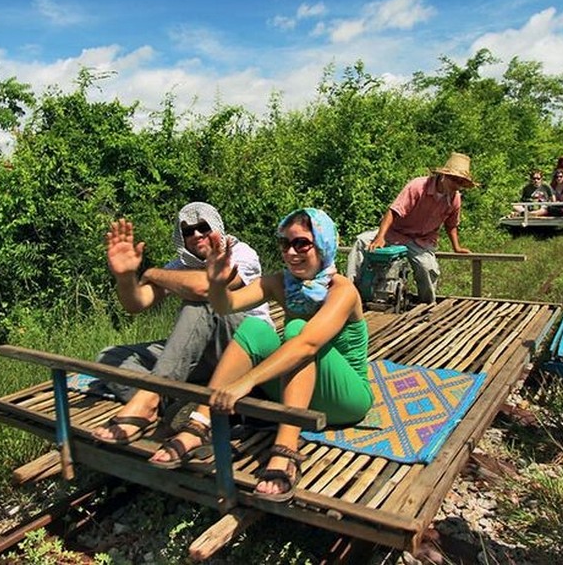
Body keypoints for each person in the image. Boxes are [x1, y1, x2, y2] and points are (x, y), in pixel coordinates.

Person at [150, 208, 372, 503]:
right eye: (285, 244)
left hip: (346, 400)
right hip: (298, 393)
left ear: (324, 244)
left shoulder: (342, 290)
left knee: (295, 329)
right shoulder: (280, 282)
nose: (291, 253)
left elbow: (306, 344)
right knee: (255, 327)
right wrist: (216, 282)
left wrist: (247, 381)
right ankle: (199, 423)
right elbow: (226, 305)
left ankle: (286, 448)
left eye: (301, 243)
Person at [91, 202, 271, 444]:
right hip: (204, 352)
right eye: (188, 231)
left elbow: (204, 288)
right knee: (110, 358)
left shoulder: (239, 253)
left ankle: (153, 396)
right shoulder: (179, 266)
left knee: (203, 301)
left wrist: (152, 272)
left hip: (244, 346)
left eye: (203, 227)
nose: (196, 235)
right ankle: (179, 406)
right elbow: (136, 303)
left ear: (216, 227)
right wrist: (125, 278)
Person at [345, 152, 475, 304]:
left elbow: (451, 224)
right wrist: (380, 236)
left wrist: (457, 247)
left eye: (460, 182)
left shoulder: (454, 198)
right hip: (396, 232)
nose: (456, 185)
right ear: (445, 176)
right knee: (361, 241)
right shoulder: (418, 186)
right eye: (455, 180)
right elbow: (393, 211)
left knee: (427, 267)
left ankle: (427, 304)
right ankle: (349, 293)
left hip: (421, 240)